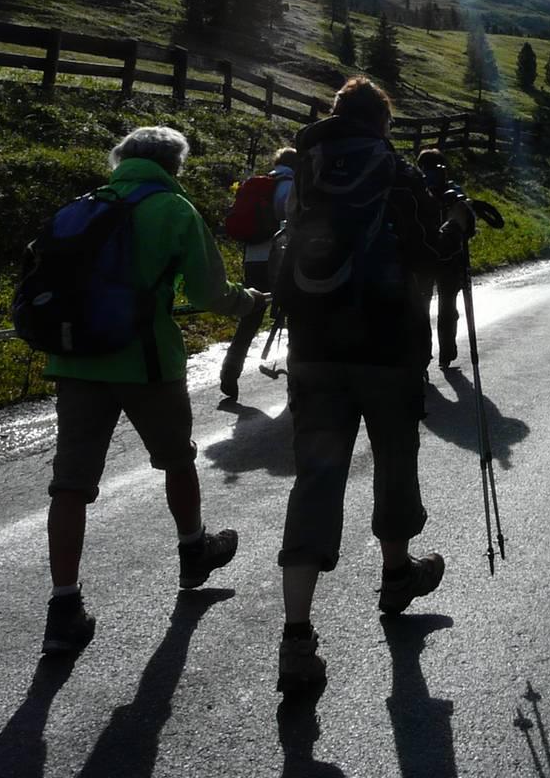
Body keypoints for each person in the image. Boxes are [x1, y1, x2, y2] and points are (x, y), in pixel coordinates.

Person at [274, 78, 474, 693]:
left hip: (312, 346)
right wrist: (456, 225)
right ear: (382, 122)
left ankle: (297, 633)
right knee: (393, 458)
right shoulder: (395, 171)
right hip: (388, 346)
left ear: (337, 116)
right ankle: (395, 575)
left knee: (316, 477)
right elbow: (426, 258)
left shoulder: (306, 166)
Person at [41, 126, 265, 655]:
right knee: (175, 459)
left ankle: (63, 608)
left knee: (70, 484)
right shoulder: (174, 209)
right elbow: (210, 293)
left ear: (121, 159)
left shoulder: (82, 207)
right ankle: (194, 551)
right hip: (146, 363)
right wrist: (249, 300)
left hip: (74, 361)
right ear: (175, 164)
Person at [218, 147, 296, 400]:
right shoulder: (292, 186)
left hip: (254, 257)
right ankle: (297, 377)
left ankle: (231, 367)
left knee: (251, 313)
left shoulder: (258, 184)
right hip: (281, 258)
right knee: (296, 313)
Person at [415, 148, 465, 369]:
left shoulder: (416, 190)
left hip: (424, 256)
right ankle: (446, 353)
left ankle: (423, 357)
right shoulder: (453, 191)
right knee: (447, 306)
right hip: (449, 258)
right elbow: (466, 225)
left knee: (421, 309)